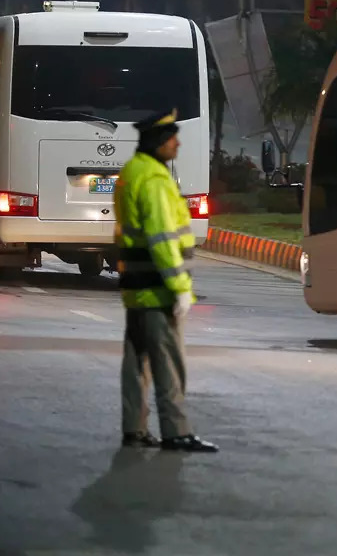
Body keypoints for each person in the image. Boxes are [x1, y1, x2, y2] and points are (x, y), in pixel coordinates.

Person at [113, 108, 218, 453]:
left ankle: (135, 428)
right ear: (158, 141)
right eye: (172, 137)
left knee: (136, 363)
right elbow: (162, 240)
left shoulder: (131, 172)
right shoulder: (155, 180)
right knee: (168, 364)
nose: (177, 143)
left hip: (136, 289)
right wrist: (180, 289)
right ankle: (176, 432)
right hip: (157, 289)